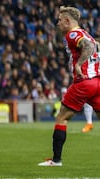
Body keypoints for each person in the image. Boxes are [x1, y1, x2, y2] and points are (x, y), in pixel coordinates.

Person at [38, 6, 100, 167]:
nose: (57, 23)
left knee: (62, 118)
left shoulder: (73, 34)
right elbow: (94, 46)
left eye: (59, 20)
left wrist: (79, 64)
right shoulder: (87, 34)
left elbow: (89, 47)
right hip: (97, 82)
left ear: (67, 21)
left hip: (84, 83)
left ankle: (56, 160)